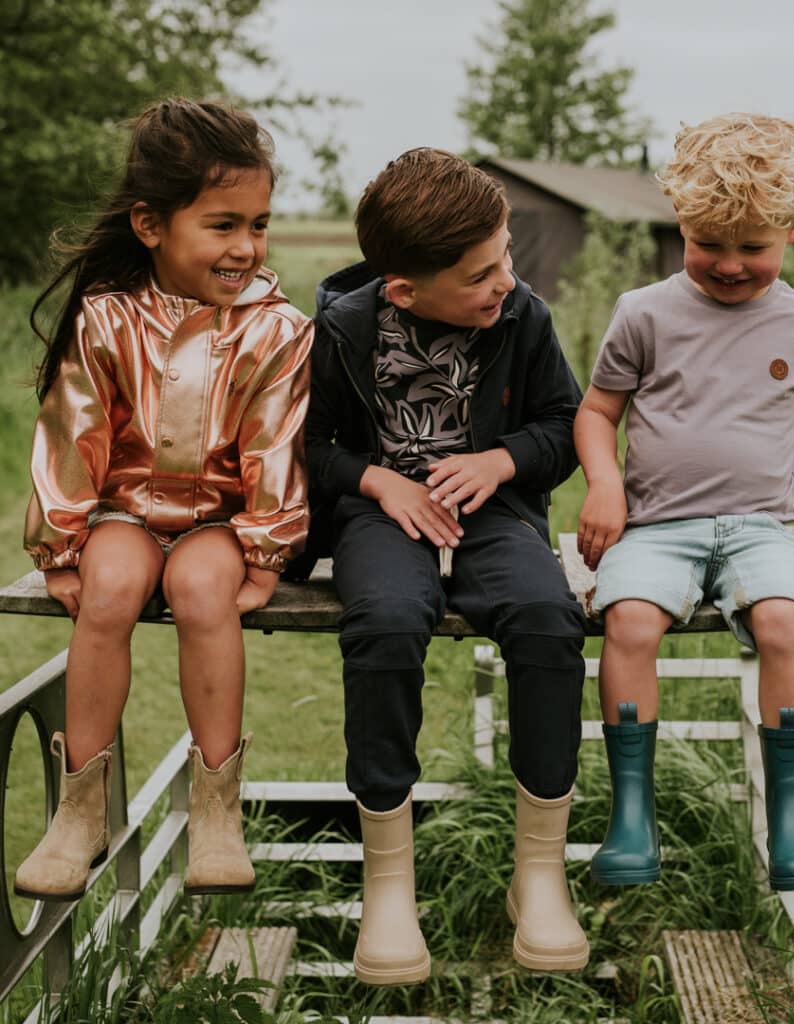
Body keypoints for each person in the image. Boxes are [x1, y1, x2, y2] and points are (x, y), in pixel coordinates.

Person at [574, 113, 794, 893]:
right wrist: (604, 483)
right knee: (627, 621)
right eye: (708, 244)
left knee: (783, 622)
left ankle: (793, 811)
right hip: (657, 529)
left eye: (753, 248)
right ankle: (633, 811)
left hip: (763, 529)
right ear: (680, 224)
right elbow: (596, 413)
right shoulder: (643, 313)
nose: (729, 265)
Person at [15, 98, 313, 903]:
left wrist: (264, 547)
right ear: (151, 224)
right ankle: (80, 810)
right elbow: (73, 432)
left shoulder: (280, 329)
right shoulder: (106, 317)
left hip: (217, 519)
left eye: (258, 224)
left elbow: (272, 444)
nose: (245, 247)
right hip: (124, 513)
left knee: (203, 590)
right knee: (110, 591)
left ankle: (217, 807)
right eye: (222, 225)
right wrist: (60, 545)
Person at [304, 148, 588, 983]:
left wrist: (501, 463)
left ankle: (539, 870)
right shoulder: (344, 329)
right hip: (380, 515)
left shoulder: (524, 314)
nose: (503, 282)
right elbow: (309, 449)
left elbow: (565, 423)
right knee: (386, 624)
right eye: (478, 276)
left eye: (504, 258)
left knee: (548, 619)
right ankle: (389, 881)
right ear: (402, 291)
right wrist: (377, 479)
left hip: (495, 515)